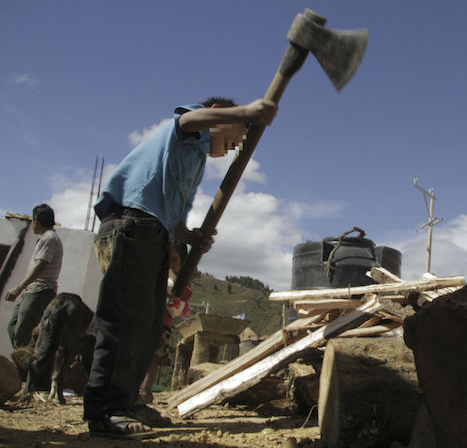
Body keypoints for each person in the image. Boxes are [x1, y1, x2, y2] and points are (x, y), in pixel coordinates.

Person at [84, 96, 277, 440]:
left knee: (147, 325)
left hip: (154, 233)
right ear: (218, 115)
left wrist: (193, 236)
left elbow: (173, 219)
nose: (236, 145)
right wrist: (248, 112)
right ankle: (104, 411)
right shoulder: (188, 131)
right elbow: (188, 121)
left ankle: (125, 402)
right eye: (236, 135)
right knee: (124, 321)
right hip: (131, 222)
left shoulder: (197, 161)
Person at [137, 241, 192, 409]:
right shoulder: (153, 277)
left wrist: (173, 285)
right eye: (166, 258)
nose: (169, 264)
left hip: (161, 327)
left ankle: (144, 392)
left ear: (182, 263)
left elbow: (176, 307)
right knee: (140, 358)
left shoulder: (183, 286)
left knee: (152, 360)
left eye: (174, 260)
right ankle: (136, 390)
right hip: (144, 323)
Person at [5, 204, 63, 348]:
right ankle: (31, 358)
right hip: (32, 290)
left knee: (22, 336)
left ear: (35, 220)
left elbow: (40, 266)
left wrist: (18, 288)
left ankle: (25, 367)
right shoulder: (45, 238)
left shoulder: (49, 238)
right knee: (13, 327)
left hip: (40, 291)